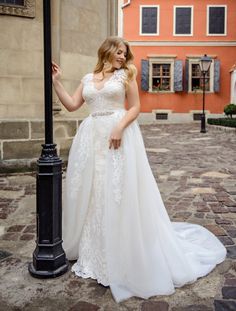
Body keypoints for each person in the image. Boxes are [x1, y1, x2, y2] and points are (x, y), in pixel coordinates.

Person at [52, 36, 226, 303]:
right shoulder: (88, 78)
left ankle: (122, 252)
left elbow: (135, 107)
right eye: (119, 52)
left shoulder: (126, 76)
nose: (123, 56)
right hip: (90, 139)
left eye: (125, 53)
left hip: (118, 136)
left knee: (117, 191)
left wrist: (119, 127)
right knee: (93, 193)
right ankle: (95, 249)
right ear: (107, 52)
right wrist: (56, 81)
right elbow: (72, 105)